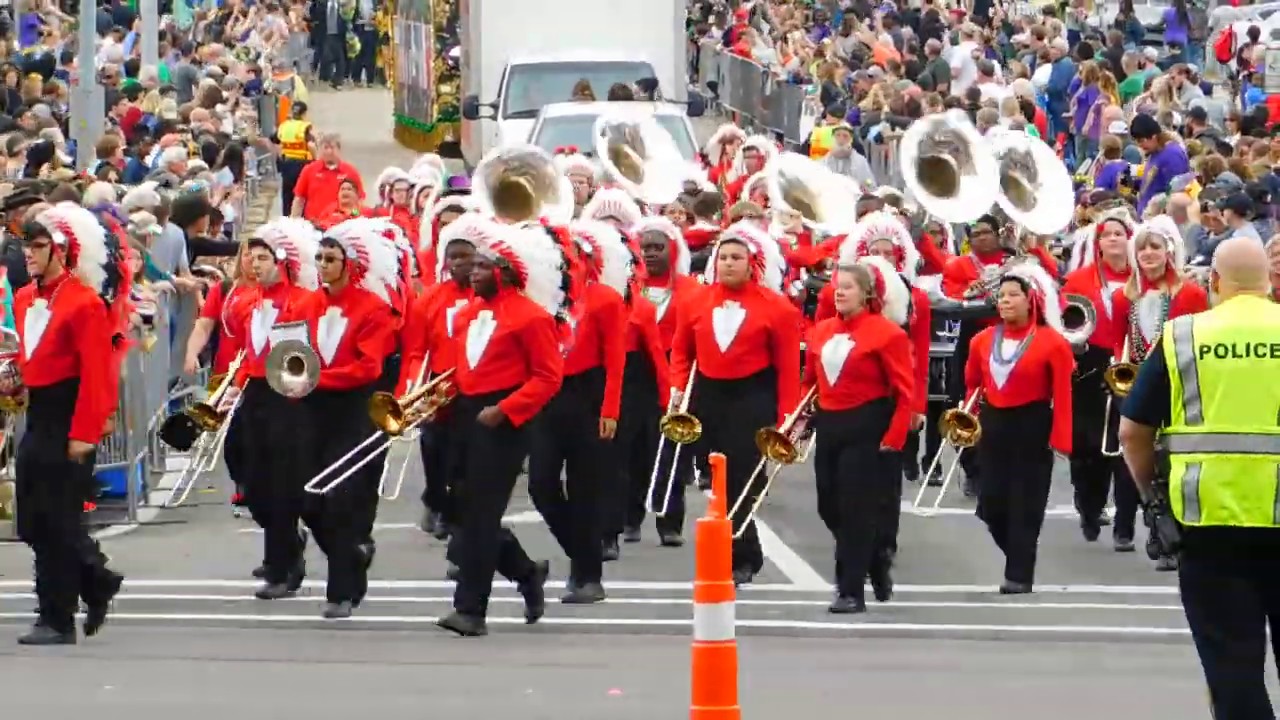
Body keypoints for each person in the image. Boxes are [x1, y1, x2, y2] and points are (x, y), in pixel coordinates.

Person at [1119, 236, 1280, 719]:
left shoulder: (1184, 336)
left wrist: (1151, 499)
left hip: (1209, 524)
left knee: (1233, 670)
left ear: (1214, 282)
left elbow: (1132, 433)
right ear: (1270, 283)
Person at [435, 215, 566, 637]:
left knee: (480, 515)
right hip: (464, 415)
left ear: (505, 273)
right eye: (470, 266)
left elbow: (548, 377)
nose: (471, 273)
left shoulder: (532, 317)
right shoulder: (470, 313)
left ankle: (471, 610)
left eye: (480, 267)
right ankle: (526, 573)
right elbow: (464, 366)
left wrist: (506, 409)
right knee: (459, 510)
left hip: (503, 422)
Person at [9, 203, 128, 644]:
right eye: (26, 244)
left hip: (68, 415)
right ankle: (96, 580)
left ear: (60, 250)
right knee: (35, 521)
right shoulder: (24, 298)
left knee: (57, 520)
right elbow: (33, 356)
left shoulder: (84, 303)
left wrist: (84, 434)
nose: (28, 254)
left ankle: (56, 617)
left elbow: (98, 375)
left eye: (37, 245)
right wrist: (17, 382)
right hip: (39, 413)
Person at [669, 221, 799, 586]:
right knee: (713, 475)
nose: (728, 263)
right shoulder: (694, 300)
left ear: (751, 263)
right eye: (722, 257)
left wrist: (788, 416)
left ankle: (741, 553)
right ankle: (741, 549)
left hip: (752, 396)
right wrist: (677, 388)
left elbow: (788, 367)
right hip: (708, 396)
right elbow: (681, 350)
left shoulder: (778, 308)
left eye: (736, 257)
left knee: (742, 477)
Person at [805, 255, 914, 613]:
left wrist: (895, 436)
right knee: (828, 505)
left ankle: (850, 589)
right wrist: (798, 420)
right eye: (837, 286)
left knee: (855, 508)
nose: (839, 292)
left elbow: (903, 390)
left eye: (848, 287)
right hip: (830, 423)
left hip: (868, 424)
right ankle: (874, 556)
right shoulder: (820, 330)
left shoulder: (888, 334)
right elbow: (809, 382)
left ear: (867, 293)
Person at [301, 219, 398, 619]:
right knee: (305, 498)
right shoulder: (305, 303)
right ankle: (351, 559)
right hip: (311, 407)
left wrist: (319, 377)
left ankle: (340, 588)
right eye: (319, 257)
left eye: (331, 259)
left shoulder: (374, 308)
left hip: (354, 410)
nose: (322, 265)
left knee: (339, 498)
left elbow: (369, 367)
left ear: (350, 264)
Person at [528, 220, 627, 602]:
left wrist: (610, 408)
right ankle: (582, 554)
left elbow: (616, 360)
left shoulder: (605, 298)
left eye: (574, 258)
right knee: (541, 484)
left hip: (589, 394)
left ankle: (588, 577)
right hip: (548, 394)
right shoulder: (543, 296)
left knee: (586, 489)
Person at [223, 218, 322, 594]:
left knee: (282, 484)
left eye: (263, 257)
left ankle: (283, 568)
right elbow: (247, 351)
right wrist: (235, 386)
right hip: (256, 393)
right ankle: (284, 546)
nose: (255, 263)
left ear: (281, 261)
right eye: (252, 256)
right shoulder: (249, 301)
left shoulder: (303, 300)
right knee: (249, 474)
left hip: (288, 397)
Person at [964, 264, 1074, 594]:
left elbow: (1063, 395)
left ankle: (1019, 573)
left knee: (1026, 503)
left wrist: (1062, 438)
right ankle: (1018, 556)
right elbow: (972, 385)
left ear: (1032, 301)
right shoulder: (981, 340)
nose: (1005, 301)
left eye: (1014, 295)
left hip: (1033, 425)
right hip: (993, 425)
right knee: (991, 504)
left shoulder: (1053, 343)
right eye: (1001, 295)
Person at [1107, 215, 1207, 559]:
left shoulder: (1190, 293)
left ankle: (1169, 533)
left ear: (1169, 251)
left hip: (1178, 385)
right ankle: (1138, 523)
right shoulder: (1125, 296)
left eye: (1155, 246)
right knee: (1132, 453)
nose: (1148, 253)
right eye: (1142, 248)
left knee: (1171, 459)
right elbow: (1116, 340)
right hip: (1136, 383)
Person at [398, 207, 477, 541]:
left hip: (473, 391)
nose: (459, 264)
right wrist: (412, 390)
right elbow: (416, 351)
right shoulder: (429, 299)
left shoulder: (486, 297)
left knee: (463, 457)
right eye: (453, 257)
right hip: (438, 390)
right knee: (433, 450)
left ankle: (451, 514)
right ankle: (435, 497)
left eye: (466, 257)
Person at [1061, 207, 1134, 542]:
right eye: (1107, 234)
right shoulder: (1080, 279)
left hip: (1131, 363)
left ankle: (1124, 524)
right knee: (1088, 444)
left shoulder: (1140, 276)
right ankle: (1088, 506)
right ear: (1099, 242)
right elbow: (1067, 323)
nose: (1114, 239)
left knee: (1125, 442)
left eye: (1120, 233)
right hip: (1090, 363)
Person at [625, 216, 699, 545]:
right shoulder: (626, 287)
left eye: (657, 247)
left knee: (672, 450)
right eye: (644, 248)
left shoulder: (691, 289)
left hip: (676, 370)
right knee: (633, 450)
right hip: (635, 374)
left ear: (672, 250)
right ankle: (630, 519)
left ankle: (670, 523)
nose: (650, 254)